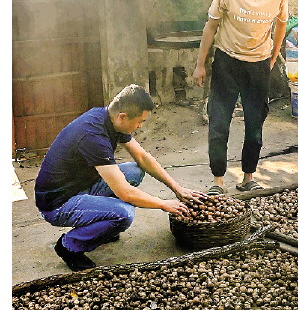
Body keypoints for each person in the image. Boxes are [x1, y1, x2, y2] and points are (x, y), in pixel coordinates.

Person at [35, 84, 206, 271]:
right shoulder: (93, 135)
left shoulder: (109, 118)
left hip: (80, 186)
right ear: (122, 116)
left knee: (134, 170)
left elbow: (142, 158)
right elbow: (125, 193)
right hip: (57, 204)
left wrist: (176, 188)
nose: (140, 126)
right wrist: (163, 203)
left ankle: (102, 226)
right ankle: (69, 246)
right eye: (140, 121)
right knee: (124, 214)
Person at [192, 0, 289, 194]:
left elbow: (281, 25)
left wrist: (273, 57)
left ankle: (248, 178)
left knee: (255, 125)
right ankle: (218, 181)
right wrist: (200, 64)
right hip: (227, 62)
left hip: (258, 65)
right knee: (219, 123)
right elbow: (211, 26)